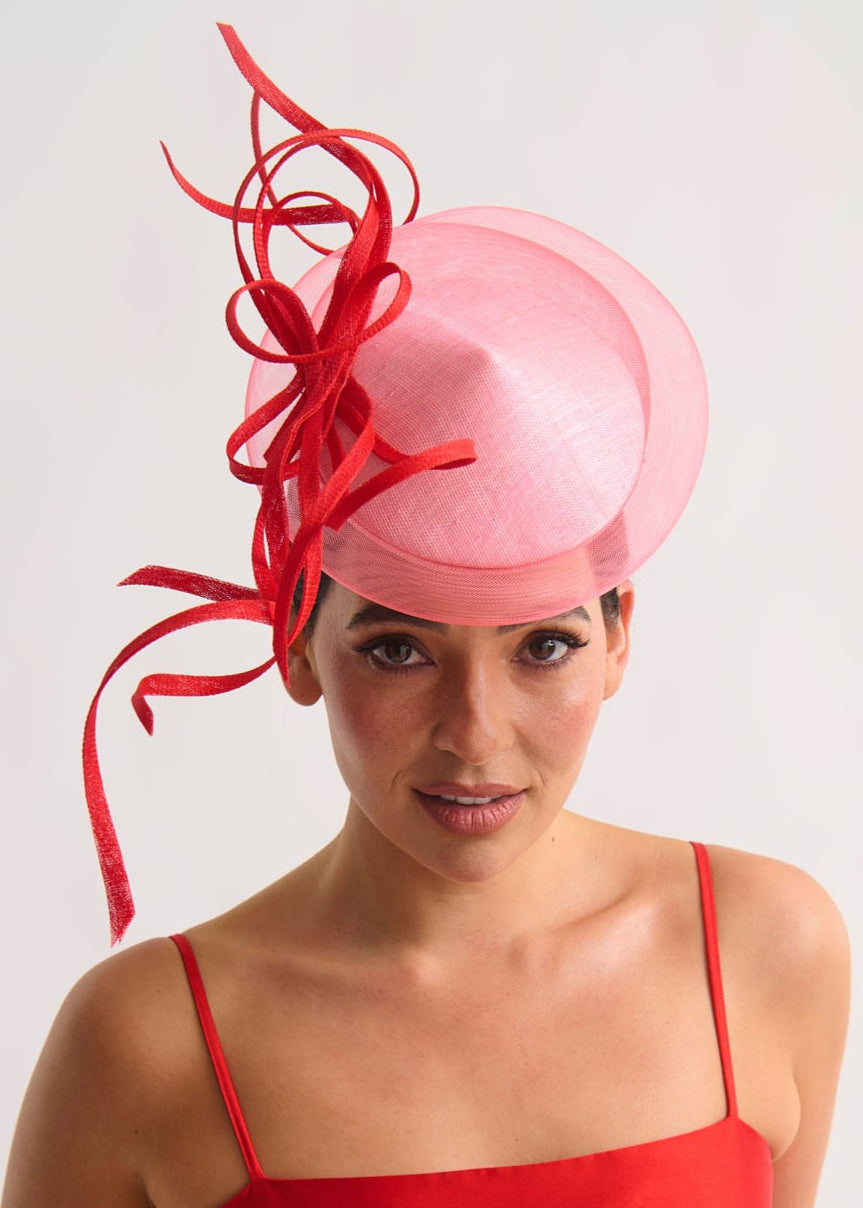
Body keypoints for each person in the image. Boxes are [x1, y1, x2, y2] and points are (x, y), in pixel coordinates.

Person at [2, 24, 849, 1208]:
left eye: (541, 644)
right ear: (296, 637)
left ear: (617, 638)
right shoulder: (145, 1044)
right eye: (396, 647)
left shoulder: (767, 948)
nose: (473, 730)